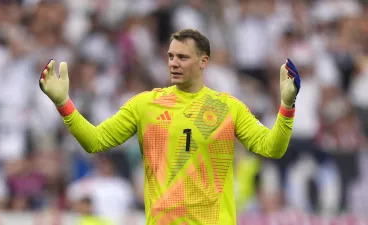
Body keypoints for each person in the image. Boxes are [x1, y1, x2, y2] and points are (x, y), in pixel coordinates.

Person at [39, 29, 301, 225]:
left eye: (183, 57)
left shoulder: (228, 108)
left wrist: (286, 106)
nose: (173, 62)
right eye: (170, 56)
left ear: (203, 62)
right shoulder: (145, 105)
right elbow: (95, 141)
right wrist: (63, 103)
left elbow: (272, 148)